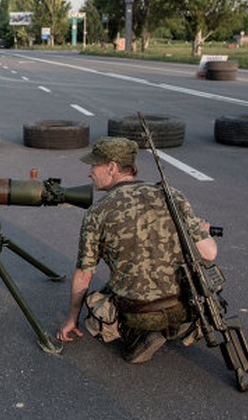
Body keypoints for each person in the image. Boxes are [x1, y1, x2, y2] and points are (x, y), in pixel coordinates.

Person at [57, 137, 217, 363]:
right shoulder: (173, 196)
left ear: (111, 167)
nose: (89, 172)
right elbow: (209, 253)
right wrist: (204, 232)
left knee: (99, 299)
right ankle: (175, 325)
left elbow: (84, 274)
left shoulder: (97, 212)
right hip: (182, 306)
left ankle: (137, 335)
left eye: (94, 165)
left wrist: (72, 318)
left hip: (138, 313)